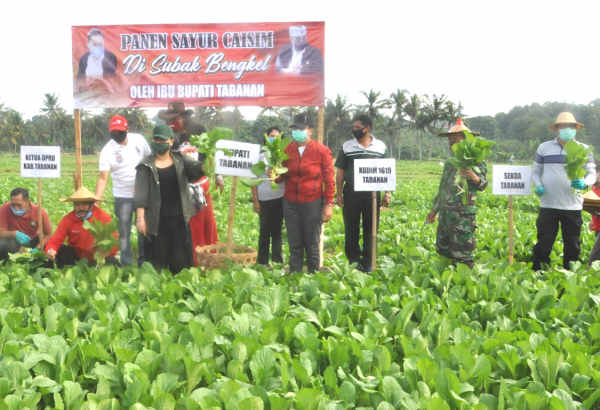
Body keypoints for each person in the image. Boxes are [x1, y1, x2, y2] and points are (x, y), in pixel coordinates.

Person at [134, 123, 205, 274]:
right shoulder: (145, 165)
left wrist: (207, 164)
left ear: (171, 141)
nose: (159, 144)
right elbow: (141, 193)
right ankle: (157, 292)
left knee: (180, 260)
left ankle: (181, 290)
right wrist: (141, 218)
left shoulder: (181, 159)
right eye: (156, 140)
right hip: (156, 220)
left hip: (179, 218)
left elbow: (197, 171)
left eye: (162, 141)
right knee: (157, 260)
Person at [531, 112, 596, 271]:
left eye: (571, 126)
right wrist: (538, 185)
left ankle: (569, 273)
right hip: (548, 204)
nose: (567, 129)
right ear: (556, 129)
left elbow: (592, 173)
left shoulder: (584, 149)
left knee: (572, 244)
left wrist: (584, 182)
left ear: (576, 129)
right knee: (544, 241)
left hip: (572, 205)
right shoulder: (544, 148)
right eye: (563, 126)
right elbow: (535, 171)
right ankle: (539, 272)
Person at [426, 119, 488, 268]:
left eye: (455, 138)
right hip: (446, 215)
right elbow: (443, 188)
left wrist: (472, 175)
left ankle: (465, 283)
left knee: (463, 255)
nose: (452, 142)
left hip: (463, 216)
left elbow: (483, 185)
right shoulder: (450, 163)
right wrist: (434, 210)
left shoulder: (476, 160)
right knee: (444, 251)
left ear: (466, 139)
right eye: (450, 139)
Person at [278, 113, 334, 273]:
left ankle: (313, 274)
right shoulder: (287, 149)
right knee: (294, 242)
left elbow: (329, 179)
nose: (297, 131)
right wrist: (273, 173)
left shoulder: (322, 151)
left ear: (310, 130)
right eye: (295, 128)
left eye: (301, 128)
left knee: (311, 242)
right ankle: (295, 275)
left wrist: (329, 204)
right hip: (290, 202)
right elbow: (281, 177)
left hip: (312, 202)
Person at [335, 114, 390, 272]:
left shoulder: (380, 147)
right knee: (351, 228)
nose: (355, 130)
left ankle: (368, 263)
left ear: (368, 128)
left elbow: (387, 172)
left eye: (358, 128)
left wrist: (387, 193)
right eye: (354, 128)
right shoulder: (347, 146)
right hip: (351, 193)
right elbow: (340, 172)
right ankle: (353, 261)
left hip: (372, 195)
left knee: (371, 229)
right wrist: (339, 194)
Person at [95, 115, 151, 266]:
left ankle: (144, 263)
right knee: (124, 233)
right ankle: (126, 265)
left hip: (142, 194)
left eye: (120, 131)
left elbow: (149, 160)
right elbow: (103, 178)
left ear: (127, 130)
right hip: (122, 196)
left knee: (143, 230)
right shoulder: (107, 150)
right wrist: (97, 200)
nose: (117, 135)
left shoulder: (138, 140)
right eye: (114, 132)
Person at [45, 186, 117, 268]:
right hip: (77, 256)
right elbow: (56, 240)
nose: (81, 208)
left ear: (91, 204)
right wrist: (51, 250)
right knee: (59, 251)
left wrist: (105, 253)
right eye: (77, 205)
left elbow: (114, 241)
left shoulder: (103, 217)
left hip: (98, 257)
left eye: (84, 204)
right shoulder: (68, 219)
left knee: (112, 262)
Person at [252, 126, 285, 265]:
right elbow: (253, 181)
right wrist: (255, 201)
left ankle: (277, 262)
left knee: (277, 232)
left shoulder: (283, 157)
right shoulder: (259, 157)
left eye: (277, 136)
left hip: (280, 198)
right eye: (271, 136)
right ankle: (262, 262)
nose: (274, 138)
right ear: (265, 139)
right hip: (264, 199)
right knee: (264, 231)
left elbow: (286, 175)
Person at [0, 188, 52, 261]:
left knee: (52, 249)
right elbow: (1, 232)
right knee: (1, 244)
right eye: (13, 205)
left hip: (32, 242)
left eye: (19, 205)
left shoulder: (39, 212)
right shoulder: (5, 208)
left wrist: (37, 248)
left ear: (27, 201)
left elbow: (48, 234)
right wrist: (14, 234)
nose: (16, 208)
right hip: (13, 243)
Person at [586, 172, 600, 266]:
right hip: (597, 225)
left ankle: (588, 274)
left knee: (594, 257)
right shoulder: (594, 188)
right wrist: (592, 220)